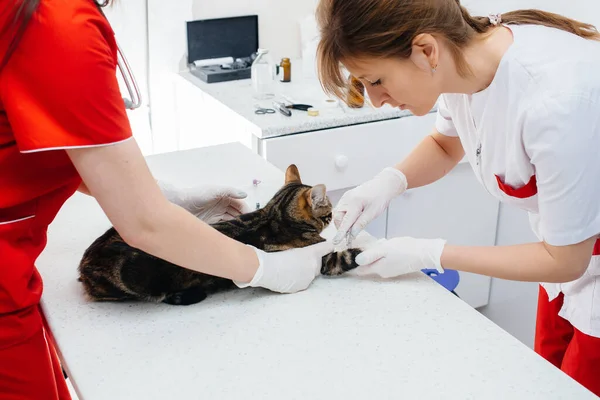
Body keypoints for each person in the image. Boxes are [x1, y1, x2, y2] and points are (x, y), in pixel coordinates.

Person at [0, 0, 332, 398]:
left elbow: (56, 139)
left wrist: (156, 193)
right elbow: (145, 225)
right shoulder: (56, 24)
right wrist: (264, 269)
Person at [316, 0, 600, 395]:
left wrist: (430, 252)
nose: (374, 99)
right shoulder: (461, 66)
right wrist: (387, 182)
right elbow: (447, 146)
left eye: (376, 80)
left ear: (425, 50)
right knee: (545, 381)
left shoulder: (555, 104)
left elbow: (565, 259)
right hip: (566, 263)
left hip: (576, 262)